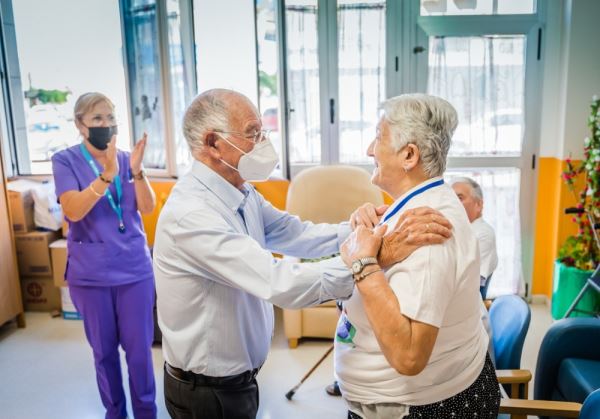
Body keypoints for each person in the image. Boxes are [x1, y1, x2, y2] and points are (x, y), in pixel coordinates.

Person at [152, 89, 453, 419]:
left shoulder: (238, 189)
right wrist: (371, 258)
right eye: (253, 133)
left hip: (238, 381)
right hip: (206, 392)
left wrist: (363, 231)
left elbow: (293, 232)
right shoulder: (192, 215)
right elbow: (280, 283)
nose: (264, 143)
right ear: (213, 143)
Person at [335, 93, 501, 419]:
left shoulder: (428, 233)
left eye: (378, 138)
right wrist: (371, 229)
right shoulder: (417, 208)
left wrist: (364, 264)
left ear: (409, 155)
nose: (370, 149)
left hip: (426, 408)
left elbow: (410, 356)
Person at [52, 92, 157, 419]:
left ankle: (146, 413)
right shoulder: (65, 160)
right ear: (79, 125)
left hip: (135, 270)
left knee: (140, 353)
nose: (106, 125)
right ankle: (115, 413)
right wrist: (106, 175)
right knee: (104, 353)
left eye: (111, 118)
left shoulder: (127, 159)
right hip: (92, 275)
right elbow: (73, 210)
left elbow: (148, 207)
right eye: (97, 119)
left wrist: (137, 172)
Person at [452, 177, 498, 297]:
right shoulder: (456, 230)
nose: (453, 203)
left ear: (478, 204)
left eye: (460, 198)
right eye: (451, 198)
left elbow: (472, 282)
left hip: (466, 304)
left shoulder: (484, 234)